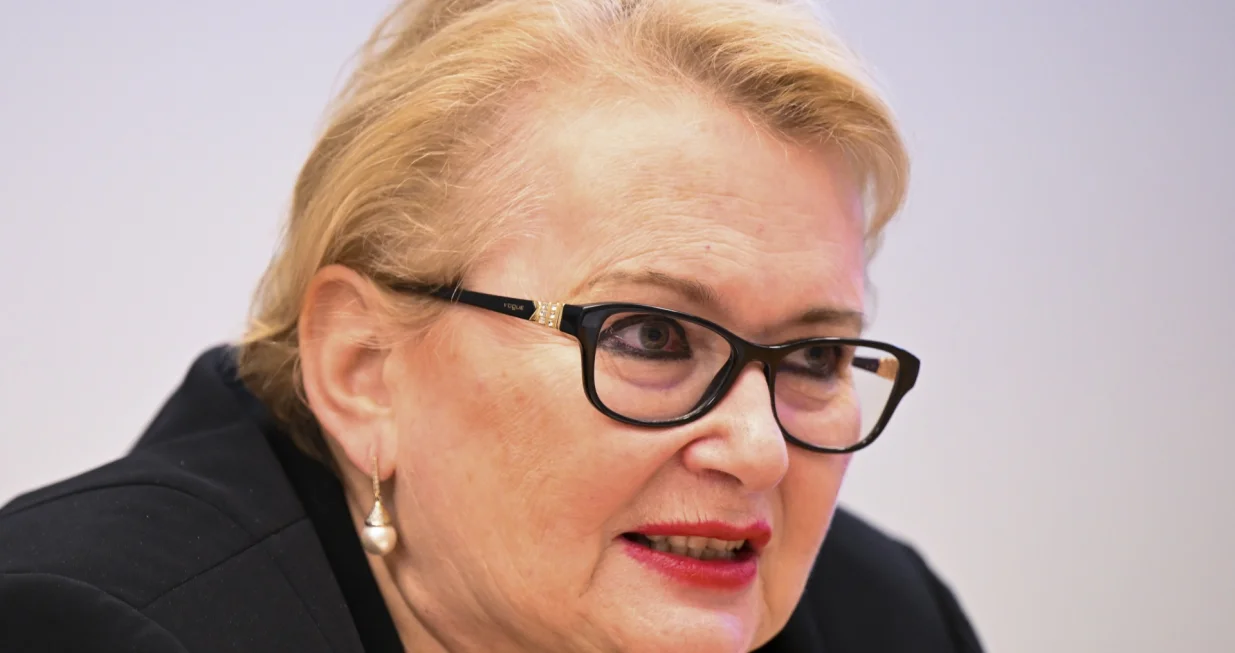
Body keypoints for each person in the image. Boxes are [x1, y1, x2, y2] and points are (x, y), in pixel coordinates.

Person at [0, 0, 984, 650]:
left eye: (812, 354)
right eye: (652, 336)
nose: (760, 450)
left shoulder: (885, 620)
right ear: (364, 369)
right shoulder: (86, 628)